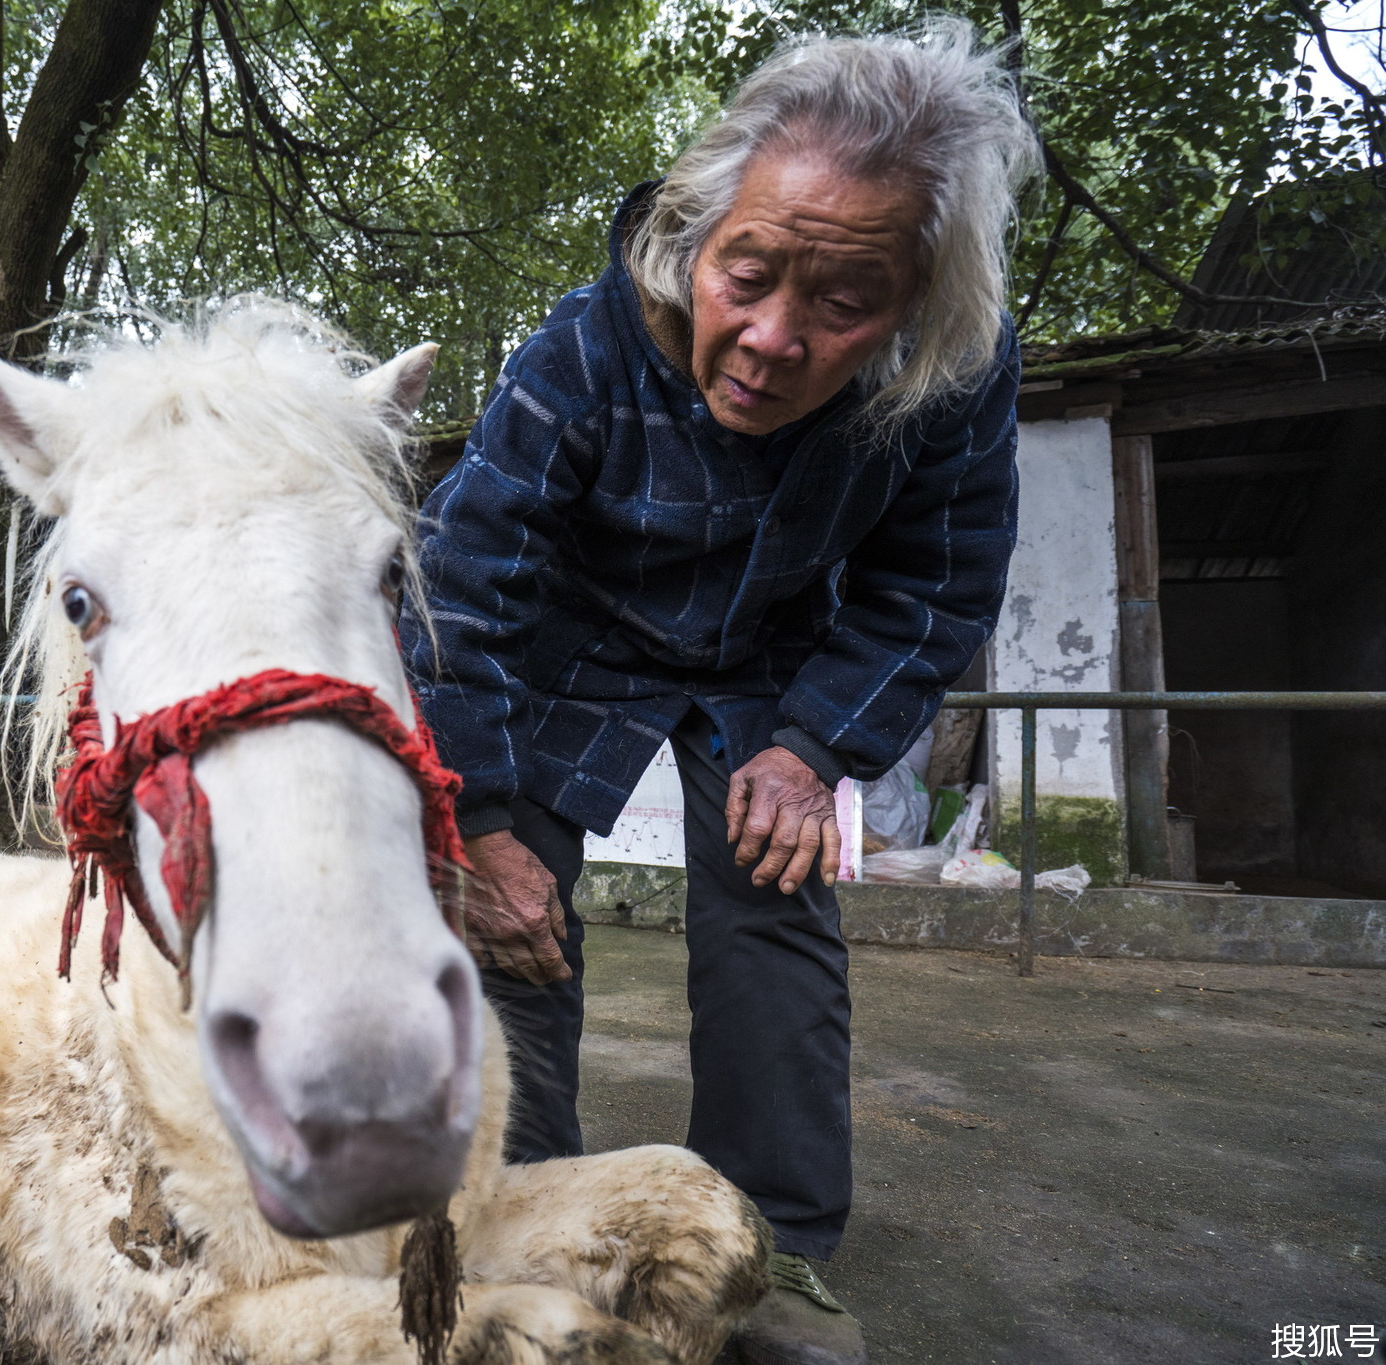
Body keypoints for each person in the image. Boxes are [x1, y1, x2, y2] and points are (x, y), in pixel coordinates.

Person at [400, 21, 1038, 1365]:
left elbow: (934, 580)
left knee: (771, 898)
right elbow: (466, 584)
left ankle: (774, 1253)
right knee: (503, 910)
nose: (766, 339)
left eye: (843, 304)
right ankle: (527, 1235)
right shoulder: (577, 347)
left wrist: (818, 747)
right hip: (563, 640)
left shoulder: (956, 372)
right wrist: (484, 815)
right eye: (744, 273)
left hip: (773, 650)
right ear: (697, 232)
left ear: (917, 306)